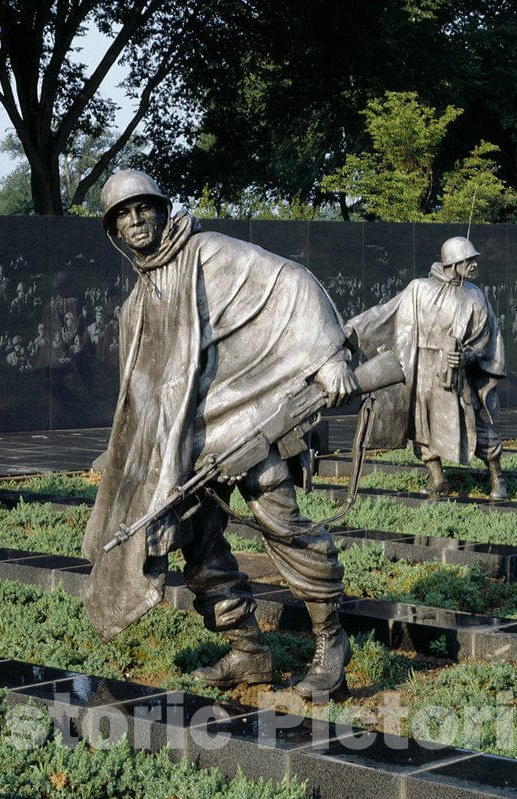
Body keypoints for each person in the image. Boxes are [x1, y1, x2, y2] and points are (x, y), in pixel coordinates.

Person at [82, 169, 357, 700]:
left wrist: (329, 358)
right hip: (191, 447)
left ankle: (331, 644)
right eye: (122, 214)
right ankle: (248, 652)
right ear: (114, 231)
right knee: (199, 550)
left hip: (249, 426)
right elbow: (142, 395)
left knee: (286, 531)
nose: (135, 220)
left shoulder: (208, 253)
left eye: (143, 208)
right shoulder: (136, 305)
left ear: (162, 210)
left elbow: (291, 281)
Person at [345, 236, 508, 499]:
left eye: (474, 259)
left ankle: (498, 478)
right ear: (453, 263)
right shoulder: (418, 289)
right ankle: (438, 480)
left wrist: (466, 355)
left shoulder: (475, 297)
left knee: (472, 427)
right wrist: (353, 327)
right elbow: (386, 311)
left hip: (453, 373)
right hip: (419, 368)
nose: (474, 264)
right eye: (468, 260)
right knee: (421, 427)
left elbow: (485, 340)